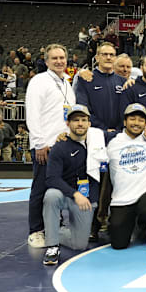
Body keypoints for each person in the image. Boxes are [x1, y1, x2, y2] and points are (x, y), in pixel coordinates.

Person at [25, 44, 76, 248]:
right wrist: (39, 143)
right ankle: (36, 230)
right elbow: (33, 114)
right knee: (40, 188)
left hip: (63, 145)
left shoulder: (66, 83)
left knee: (58, 190)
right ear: (46, 61)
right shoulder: (39, 81)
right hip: (45, 145)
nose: (59, 61)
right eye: (54, 58)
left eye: (62, 58)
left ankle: (55, 225)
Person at [41, 105, 98, 265]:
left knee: (79, 245)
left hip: (86, 198)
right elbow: (51, 178)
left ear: (89, 123)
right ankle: (52, 246)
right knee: (51, 195)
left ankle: (52, 231)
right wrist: (75, 194)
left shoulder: (98, 141)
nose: (80, 124)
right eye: (75, 120)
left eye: (83, 120)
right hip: (67, 195)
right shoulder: (60, 146)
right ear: (68, 123)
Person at [106, 103, 146, 249]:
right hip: (121, 199)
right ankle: (136, 226)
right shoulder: (112, 142)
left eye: (140, 120)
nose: (136, 123)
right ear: (125, 121)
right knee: (118, 244)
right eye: (132, 119)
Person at [74, 42, 125, 131]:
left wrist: (118, 129)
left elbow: (126, 109)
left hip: (119, 134)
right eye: (104, 54)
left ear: (115, 58)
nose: (108, 57)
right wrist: (102, 129)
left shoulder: (123, 81)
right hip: (94, 133)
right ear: (97, 58)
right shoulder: (86, 80)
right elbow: (84, 109)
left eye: (111, 55)